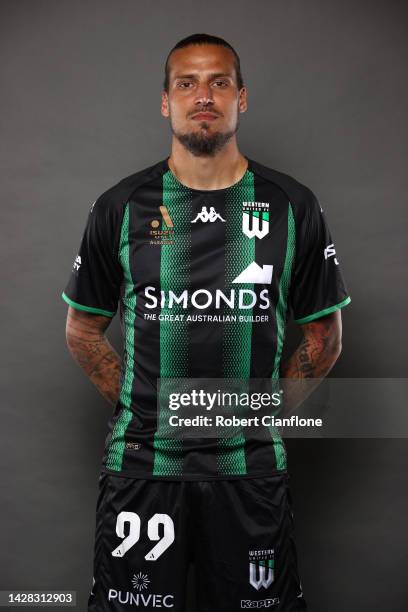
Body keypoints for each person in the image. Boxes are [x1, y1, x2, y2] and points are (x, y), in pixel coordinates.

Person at [62, 33, 350, 612]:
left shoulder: (291, 206)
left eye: (219, 82)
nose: (203, 95)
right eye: (185, 83)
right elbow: (83, 329)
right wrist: (143, 409)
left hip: (249, 473)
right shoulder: (121, 206)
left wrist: (252, 416)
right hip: (143, 467)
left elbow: (324, 336)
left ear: (241, 98)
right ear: (164, 101)